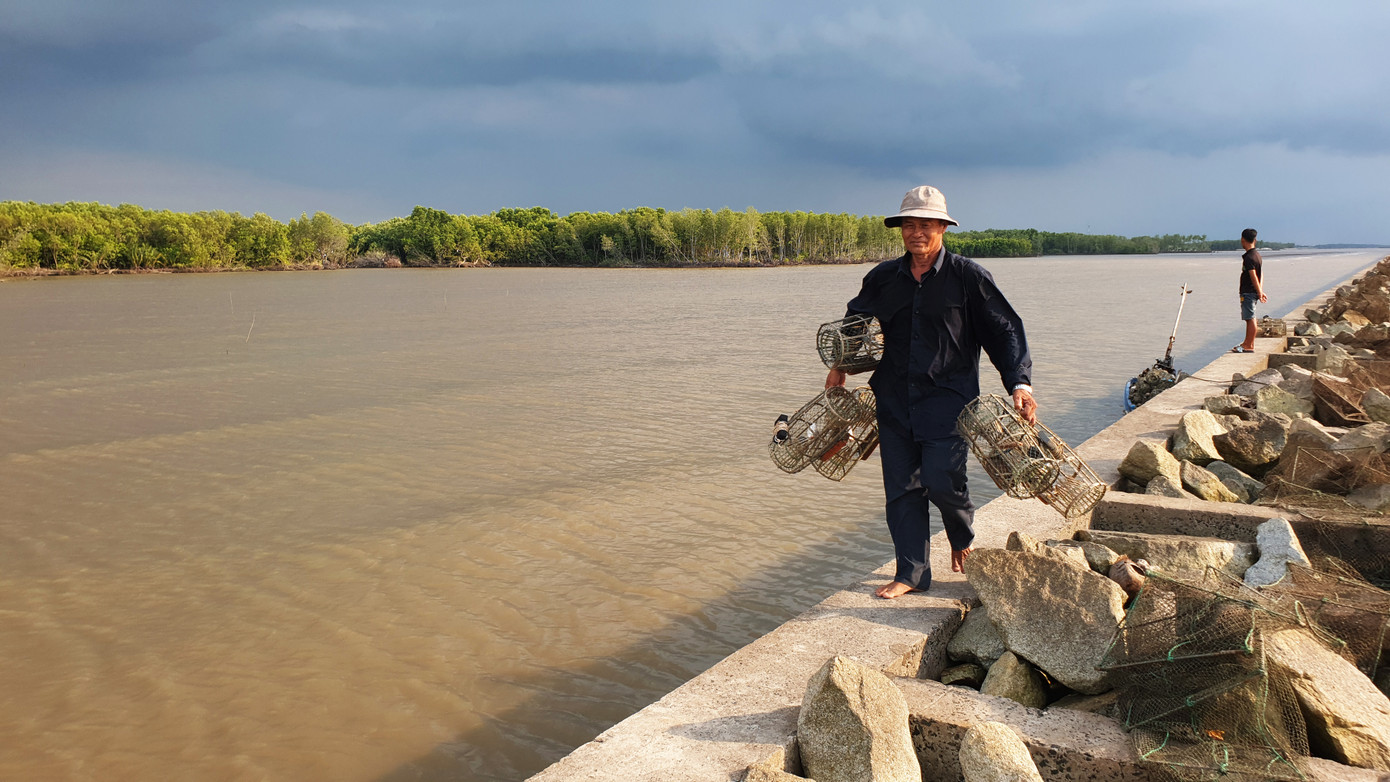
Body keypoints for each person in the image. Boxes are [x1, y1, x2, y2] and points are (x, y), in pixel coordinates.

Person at [826, 185, 1035, 599]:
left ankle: (960, 534)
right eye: (908, 224)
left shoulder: (968, 277)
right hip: (893, 400)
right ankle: (912, 573)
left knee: (942, 480)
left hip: (949, 402)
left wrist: (1019, 383)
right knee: (902, 489)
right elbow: (852, 327)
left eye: (925, 224)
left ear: (943, 227)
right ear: (900, 229)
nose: (916, 232)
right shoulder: (883, 278)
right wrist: (838, 368)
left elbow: (1005, 331)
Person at [1232, 228, 1267, 353]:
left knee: (1250, 318)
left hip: (1248, 291)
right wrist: (1260, 291)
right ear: (1255, 240)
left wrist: (1259, 292)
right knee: (1250, 317)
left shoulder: (1249, 257)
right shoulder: (1257, 255)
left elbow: (1253, 276)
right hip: (1253, 291)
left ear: (1242, 240)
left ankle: (1249, 344)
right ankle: (1247, 342)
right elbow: (1261, 275)